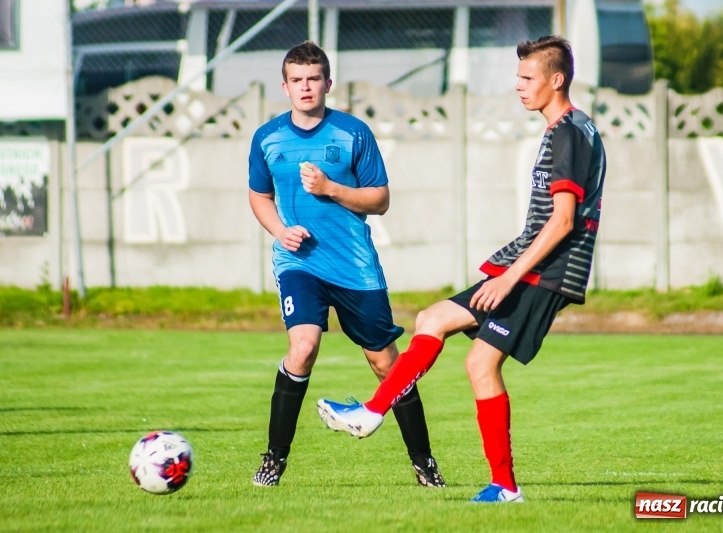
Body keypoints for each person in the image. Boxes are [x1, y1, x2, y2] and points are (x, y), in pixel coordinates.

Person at [317, 35, 606, 503]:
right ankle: (373, 412)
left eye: (527, 78)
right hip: (529, 265)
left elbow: (564, 220)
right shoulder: (570, 128)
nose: (518, 86)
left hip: (542, 272)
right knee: (433, 320)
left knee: (480, 362)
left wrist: (511, 277)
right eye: (518, 76)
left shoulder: (570, 132)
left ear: (556, 80)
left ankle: (502, 485)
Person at [248, 41, 445, 488]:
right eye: (296, 80)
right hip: (299, 263)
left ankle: (425, 463)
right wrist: (279, 231)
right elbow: (258, 195)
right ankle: (274, 460)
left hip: (355, 267)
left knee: (387, 365)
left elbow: (381, 200)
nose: (305, 87)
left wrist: (331, 188)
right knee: (303, 347)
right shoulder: (267, 138)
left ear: (327, 83)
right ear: (285, 86)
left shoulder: (353, 133)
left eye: (313, 78)